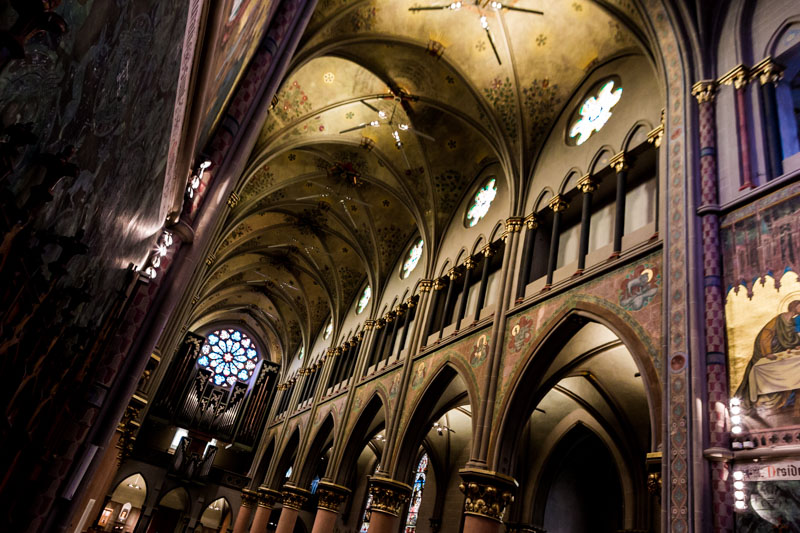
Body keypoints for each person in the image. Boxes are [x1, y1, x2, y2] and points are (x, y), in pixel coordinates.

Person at [735, 300, 800, 408]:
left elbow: (791, 338)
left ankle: (789, 398)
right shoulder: (780, 319)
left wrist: (796, 345)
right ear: (794, 307)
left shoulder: (793, 322)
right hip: (770, 348)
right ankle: (765, 399)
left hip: (782, 351)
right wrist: (767, 352)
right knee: (766, 369)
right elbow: (766, 334)